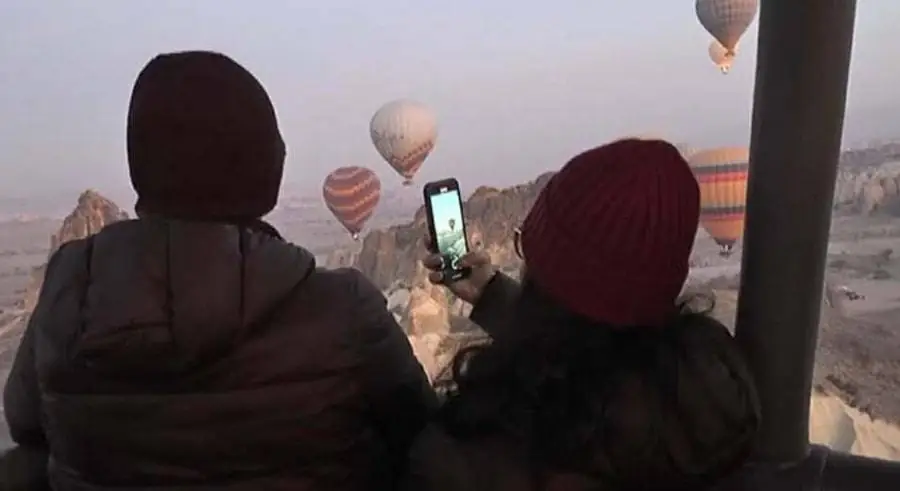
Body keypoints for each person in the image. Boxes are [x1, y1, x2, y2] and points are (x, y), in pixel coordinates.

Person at [3, 51, 436, 490]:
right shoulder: (343, 308)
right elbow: (419, 427)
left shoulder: (70, 290)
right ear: (267, 168)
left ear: (142, 164)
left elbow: (25, 424)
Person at [404, 139, 762, 491]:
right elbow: (594, 335)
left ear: (542, 277)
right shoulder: (709, 410)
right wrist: (493, 295)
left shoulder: (472, 453)